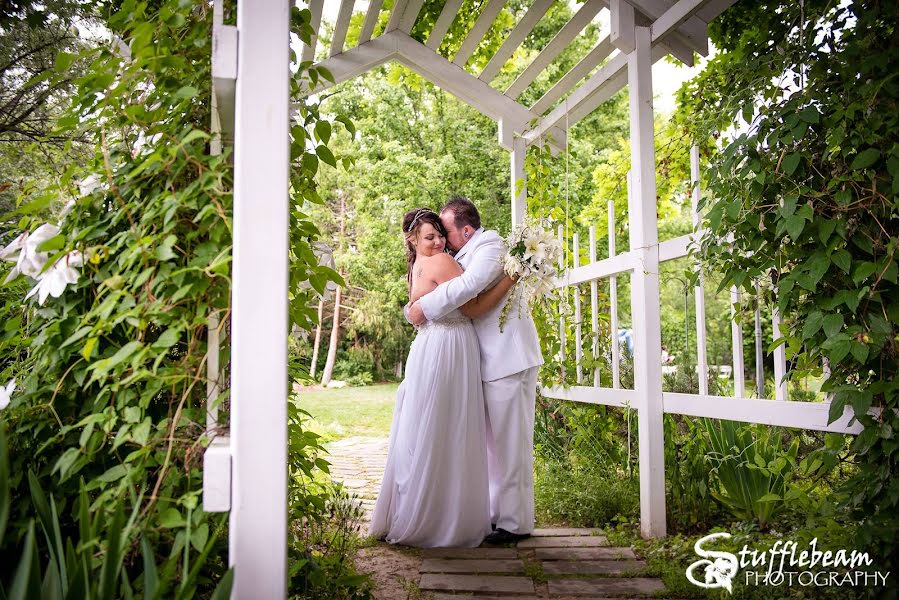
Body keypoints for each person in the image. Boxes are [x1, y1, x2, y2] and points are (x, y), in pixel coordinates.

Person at [369, 208, 517, 548]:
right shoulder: (443, 263)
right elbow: (475, 308)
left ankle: (420, 508)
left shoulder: (416, 267)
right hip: (451, 347)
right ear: (412, 240)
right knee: (452, 428)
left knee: (428, 426)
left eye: (439, 234)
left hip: (428, 348)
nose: (438, 242)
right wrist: (511, 277)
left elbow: (417, 310)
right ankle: (447, 519)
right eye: (429, 237)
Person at [408, 197, 543, 545]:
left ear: (465, 230)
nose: (441, 238)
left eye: (446, 231)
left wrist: (423, 307)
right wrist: (415, 305)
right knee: (494, 445)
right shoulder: (460, 254)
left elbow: (470, 289)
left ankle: (515, 524)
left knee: (511, 445)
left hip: (507, 358)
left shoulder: (491, 245)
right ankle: (499, 515)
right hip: (486, 360)